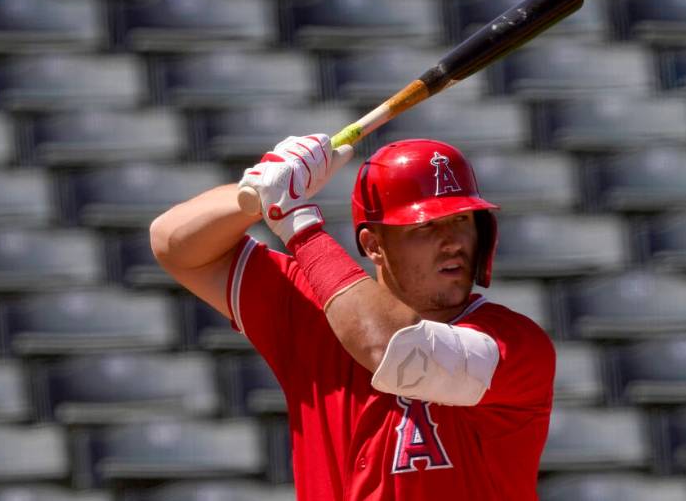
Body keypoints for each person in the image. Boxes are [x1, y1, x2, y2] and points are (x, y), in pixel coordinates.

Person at [150, 134, 555, 500]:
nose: (451, 243)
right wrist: (254, 192)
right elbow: (171, 242)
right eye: (425, 226)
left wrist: (300, 226)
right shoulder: (309, 306)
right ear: (373, 245)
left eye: (461, 220)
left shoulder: (513, 342)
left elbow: (392, 348)